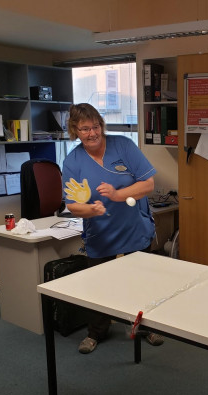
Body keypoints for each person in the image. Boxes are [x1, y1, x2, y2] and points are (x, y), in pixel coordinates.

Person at [62, 103, 164, 354]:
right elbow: (73, 206)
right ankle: (96, 332)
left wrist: (118, 195)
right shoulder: (73, 160)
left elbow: (148, 184)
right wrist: (92, 210)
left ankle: (145, 327)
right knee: (99, 286)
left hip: (133, 228)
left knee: (140, 282)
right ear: (75, 130)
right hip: (101, 233)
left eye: (95, 126)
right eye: (85, 129)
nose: (92, 133)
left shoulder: (123, 146)